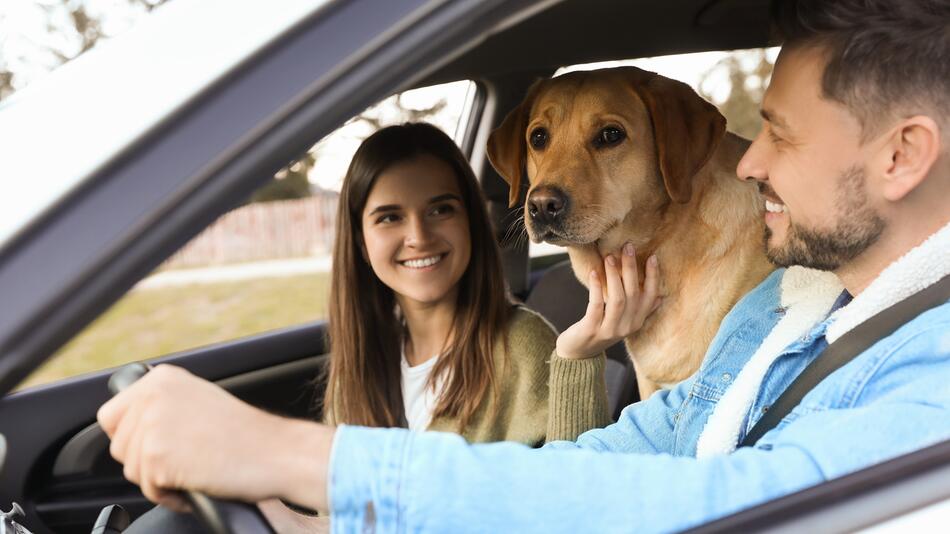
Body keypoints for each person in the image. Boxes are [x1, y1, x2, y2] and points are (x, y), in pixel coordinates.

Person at [97, 0, 950, 531]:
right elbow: (626, 455)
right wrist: (335, 519)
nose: (749, 160)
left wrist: (296, 459)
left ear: (903, 156)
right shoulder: (795, 306)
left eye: (780, 133)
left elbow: (735, 507)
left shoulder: (934, 369)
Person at [315, 122, 657, 445]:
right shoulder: (363, 358)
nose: (418, 237)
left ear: (471, 221)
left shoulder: (521, 347)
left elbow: (575, 490)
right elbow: (336, 500)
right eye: (390, 218)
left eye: (440, 210)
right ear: (361, 240)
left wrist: (577, 357)